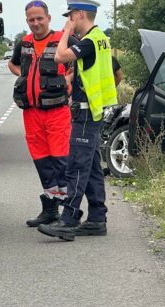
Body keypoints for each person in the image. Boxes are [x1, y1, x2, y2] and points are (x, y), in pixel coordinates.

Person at [38, 0, 118, 241]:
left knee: (76, 167)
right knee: (93, 167)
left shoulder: (91, 40)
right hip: (93, 111)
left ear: (80, 14)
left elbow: (60, 57)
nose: (69, 19)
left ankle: (69, 219)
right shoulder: (101, 37)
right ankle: (96, 218)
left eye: (71, 15)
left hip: (86, 113)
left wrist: (65, 32)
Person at [8, 0, 77, 228]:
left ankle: (69, 210)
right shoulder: (24, 43)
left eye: (39, 18)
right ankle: (50, 208)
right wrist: (26, 78)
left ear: (48, 18)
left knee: (60, 159)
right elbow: (13, 64)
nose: (35, 23)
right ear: (27, 20)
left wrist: (68, 79)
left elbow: (82, 64)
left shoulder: (63, 40)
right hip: (31, 113)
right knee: (42, 161)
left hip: (57, 111)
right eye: (31, 19)